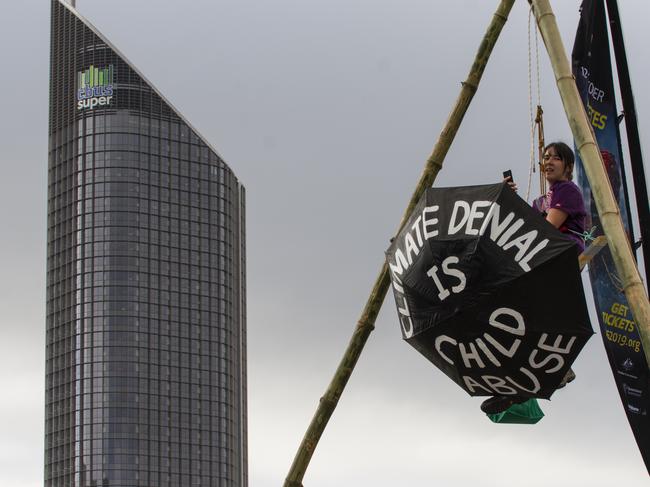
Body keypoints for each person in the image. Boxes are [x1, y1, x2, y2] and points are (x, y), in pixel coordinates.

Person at [480, 142, 587, 415]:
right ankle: (526, 378)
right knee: (519, 319)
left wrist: (518, 210)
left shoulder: (567, 191)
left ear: (568, 166)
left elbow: (545, 229)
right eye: (545, 158)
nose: (548, 162)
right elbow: (522, 227)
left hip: (559, 259)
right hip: (541, 263)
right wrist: (508, 200)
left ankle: (554, 370)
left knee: (527, 311)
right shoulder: (542, 200)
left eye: (555, 158)